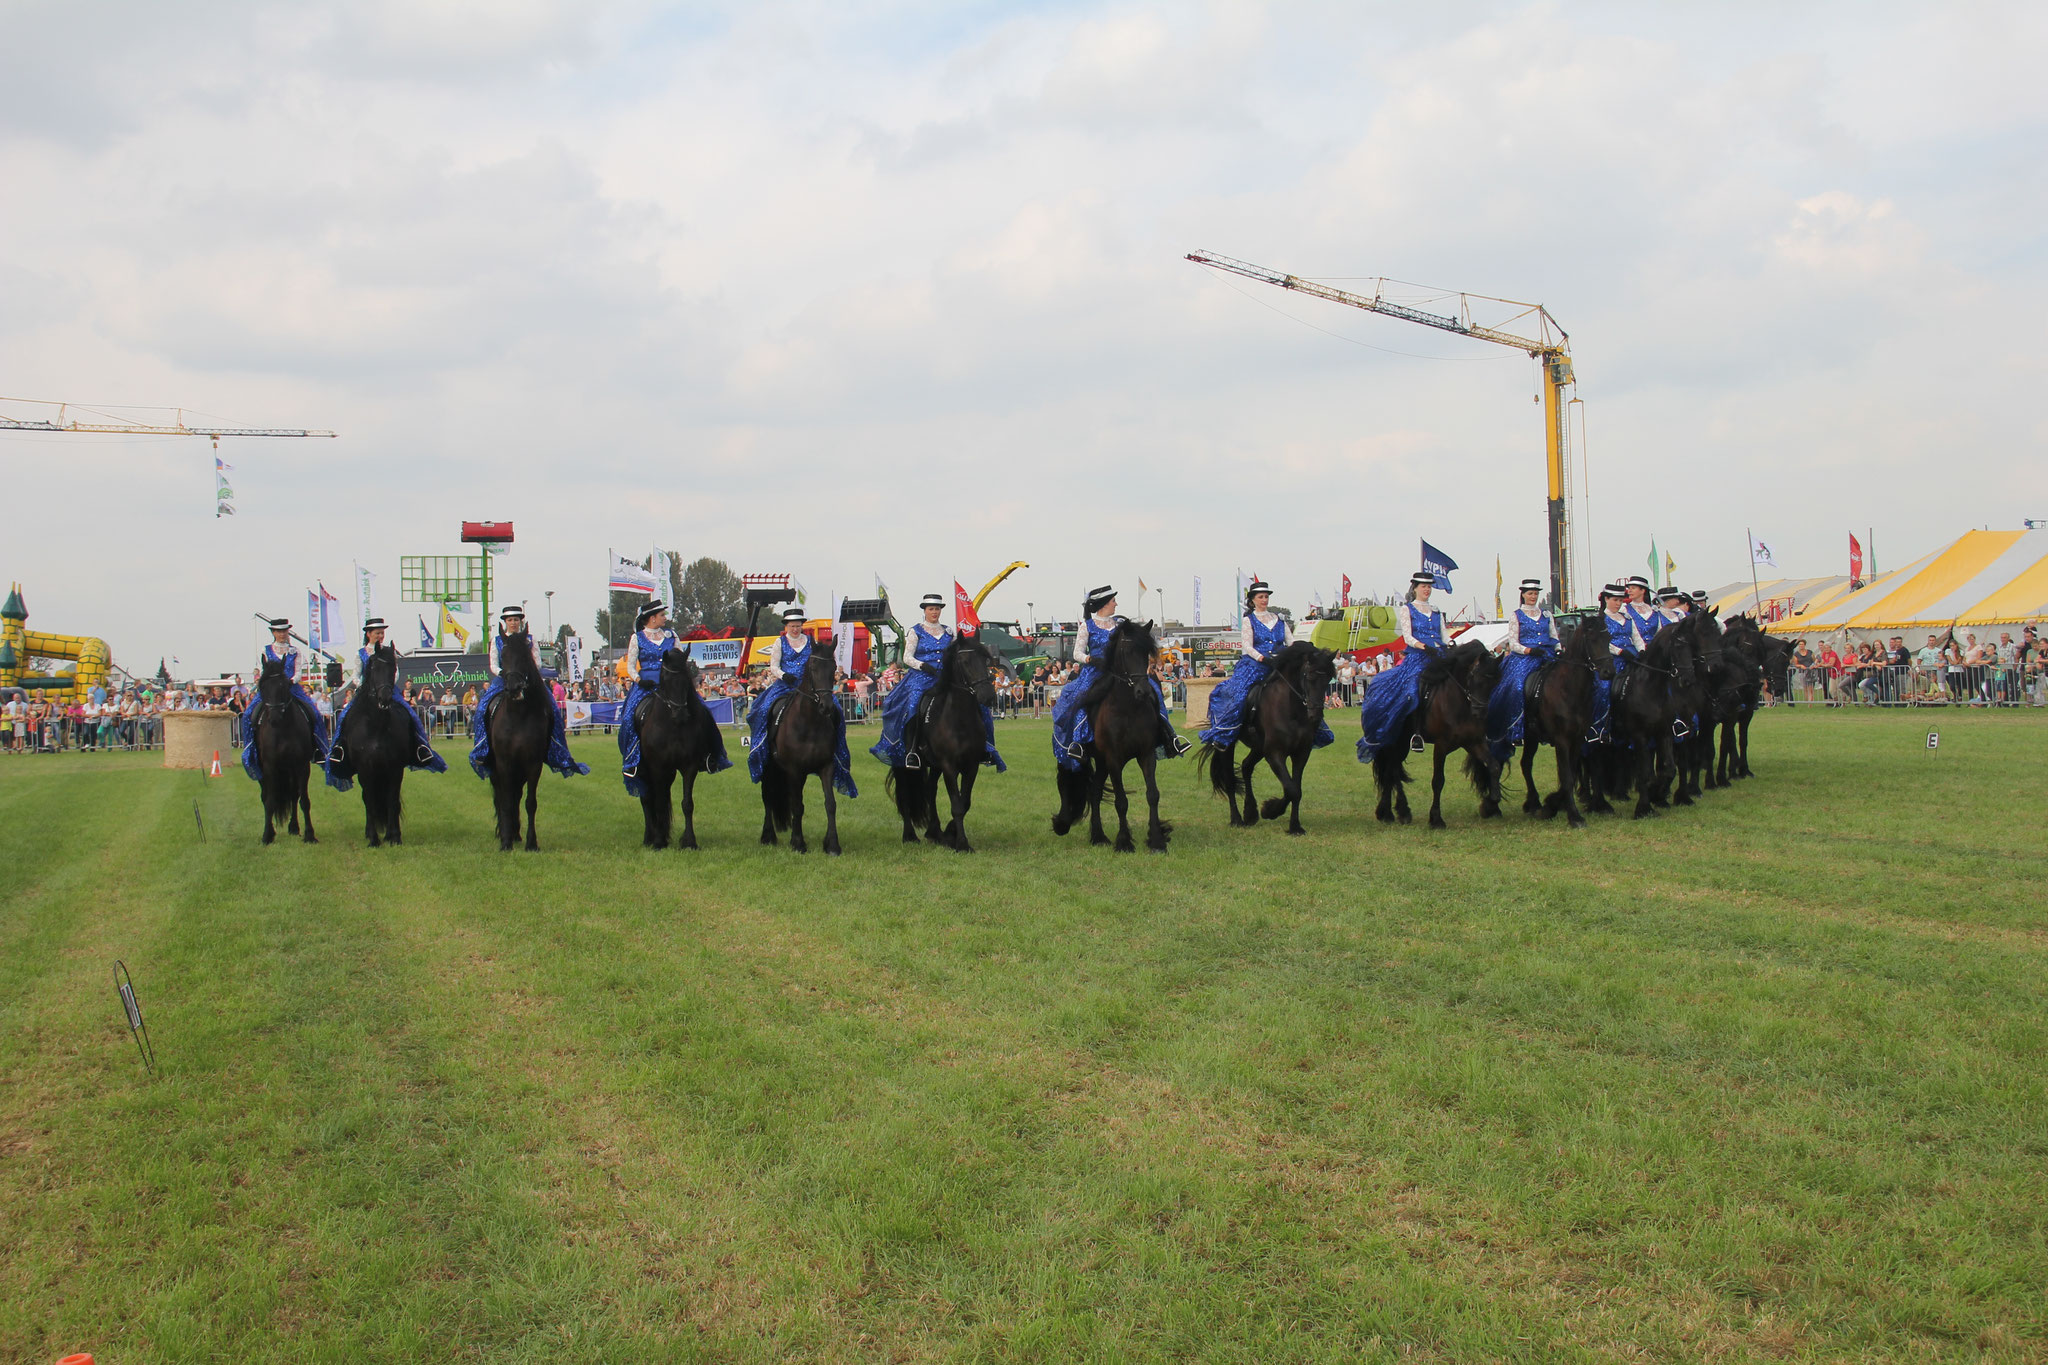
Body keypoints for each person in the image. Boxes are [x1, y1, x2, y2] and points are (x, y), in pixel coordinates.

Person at [1051, 585, 1188, 771]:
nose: (1116, 604)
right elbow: (1077, 653)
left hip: (1119, 672)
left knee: (1153, 689)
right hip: (1095, 671)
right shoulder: (1087, 625)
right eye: (1113, 600)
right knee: (1080, 697)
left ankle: (1169, 736)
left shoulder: (1119, 624)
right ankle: (1079, 744)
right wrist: (1090, 658)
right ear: (1104, 604)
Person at [869, 592, 1005, 771]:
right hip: (922, 676)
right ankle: (911, 751)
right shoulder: (915, 631)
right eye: (931, 609)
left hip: (947, 677)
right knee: (913, 705)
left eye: (937, 609)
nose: (934, 612)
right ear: (925, 610)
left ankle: (985, 747)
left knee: (980, 705)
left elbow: (959, 653)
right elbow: (907, 657)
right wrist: (923, 665)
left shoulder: (949, 632)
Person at [1198, 580, 1333, 752]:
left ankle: (1316, 728)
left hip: (1281, 663)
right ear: (1253, 600)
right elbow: (1247, 645)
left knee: (1305, 690)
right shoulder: (1249, 620)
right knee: (1238, 694)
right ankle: (1225, 733)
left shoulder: (1279, 619)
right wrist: (1262, 658)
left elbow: (1290, 642)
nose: (1264, 600)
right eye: (1261, 597)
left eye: (1266, 596)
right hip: (1256, 664)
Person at [617, 600, 730, 795]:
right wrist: (638, 679)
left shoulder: (672, 635)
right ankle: (632, 761)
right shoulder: (637, 638)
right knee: (628, 718)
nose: (665, 618)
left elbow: (680, 658)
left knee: (703, 711)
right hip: (647, 684)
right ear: (652, 618)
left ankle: (709, 756)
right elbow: (630, 665)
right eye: (662, 615)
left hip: (674, 684)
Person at [325, 616, 448, 790]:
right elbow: (355, 675)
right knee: (346, 716)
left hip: (387, 690)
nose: (380, 636)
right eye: (377, 633)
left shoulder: (389, 651)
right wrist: (365, 685)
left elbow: (396, 673)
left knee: (409, 714)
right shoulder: (361, 653)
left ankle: (420, 747)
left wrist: (387, 685)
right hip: (366, 693)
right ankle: (340, 749)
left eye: (382, 633)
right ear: (369, 634)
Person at [467, 604, 588, 780]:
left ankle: (555, 749)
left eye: (516, 620)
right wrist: (505, 673)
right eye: (510, 620)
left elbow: (537, 662)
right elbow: (493, 664)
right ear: (505, 622)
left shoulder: (530, 639)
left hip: (527, 680)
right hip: (504, 680)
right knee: (481, 709)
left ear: (520, 621)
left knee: (552, 707)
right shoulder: (497, 640)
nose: (513, 623)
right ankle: (482, 750)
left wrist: (525, 672)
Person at [746, 606, 857, 796]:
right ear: (786, 626)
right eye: (792, 626)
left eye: (798, 626)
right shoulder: (779, 642)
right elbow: (773, 666)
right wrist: (783, 675)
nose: (795, 629)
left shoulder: (809, 642)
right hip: (785, 685)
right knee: (764, 710)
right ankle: (765, 746)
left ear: (802, 626)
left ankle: (837, 749)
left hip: (810, 687)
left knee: (836, 710)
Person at [1357, 572, 1454, 762]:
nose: (1427, 590)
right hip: (1418, 658)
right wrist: (1424, 647)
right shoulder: (1407, 609)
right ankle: (1416, 733)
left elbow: (1444, 635)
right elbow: (1408, 637)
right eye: (1423, 586)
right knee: (1412, 691)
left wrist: (1451, 644)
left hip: (1440, 656)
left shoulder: (1435, 610)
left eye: (1429, 587)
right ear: (1415, 588)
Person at [240, 618, 331, 782]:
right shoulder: (266, 650)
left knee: (315, 714)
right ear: (273, 633)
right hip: (271, 690)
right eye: (279, 631)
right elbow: (264, 671)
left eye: (284, 631)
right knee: (247, 715)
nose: (282, 634)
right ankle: (251, 750)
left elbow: (298, 672)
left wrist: (289, 681)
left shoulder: (295, 651)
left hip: (291, 688)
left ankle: (319, 749)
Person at [1486, 577, 1560, 761]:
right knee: (1518, 686)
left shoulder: (1547, 615)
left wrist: (1558, 649)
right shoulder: (1516, 615)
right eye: (1530, 593)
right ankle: (1515, 728)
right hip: (1524, 659)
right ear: (1523, 595)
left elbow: (1554, 636)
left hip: (1547, 655)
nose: (1533, 596)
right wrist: (1529, 650)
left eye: (1535, 593)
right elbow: (1514, 642)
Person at [1588, 582, 1643, 742]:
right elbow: (1601, 642)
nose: (1618, 604)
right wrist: (1619, 651)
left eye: (1620, 601)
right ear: (1606, 599)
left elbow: (1637, 637)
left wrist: (1642, 651)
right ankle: (1599, 728)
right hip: (1611, 660)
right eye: (1615, 600)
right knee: (1604, 689)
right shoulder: (1600, 619)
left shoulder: (1627, 617)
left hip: (1632, 658)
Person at [1622, 575, 1662, 643]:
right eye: (1629, 588)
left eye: (1633, 588)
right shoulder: (1624, 610)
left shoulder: (1654, 610)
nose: (1629, 591)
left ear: (1642, 590)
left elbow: (1660, 632)